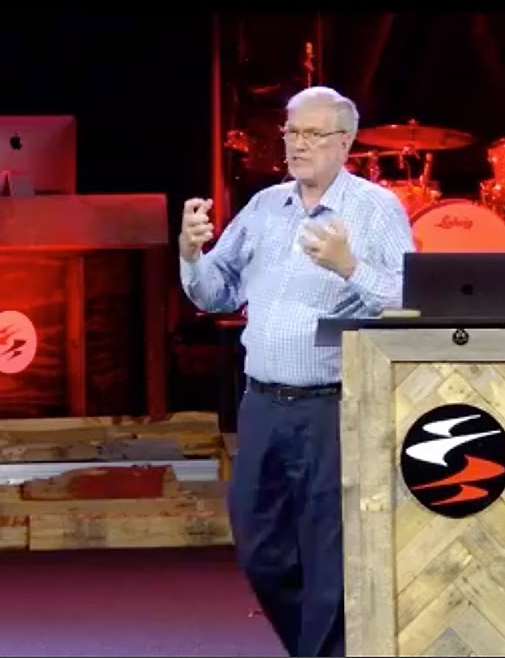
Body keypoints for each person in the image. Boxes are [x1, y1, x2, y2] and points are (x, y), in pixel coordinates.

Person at [178, 86, 414, 657]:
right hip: (262, 404)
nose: (297, 145)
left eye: (312, 134)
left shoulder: (376, 208)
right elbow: (215, 294)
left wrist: (349, 266)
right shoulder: (264, 207)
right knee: (261, 548)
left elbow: (409, 300)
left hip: (334, 406)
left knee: (329, 558)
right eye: (291, 132)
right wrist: (190, 254)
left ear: (345, 142)